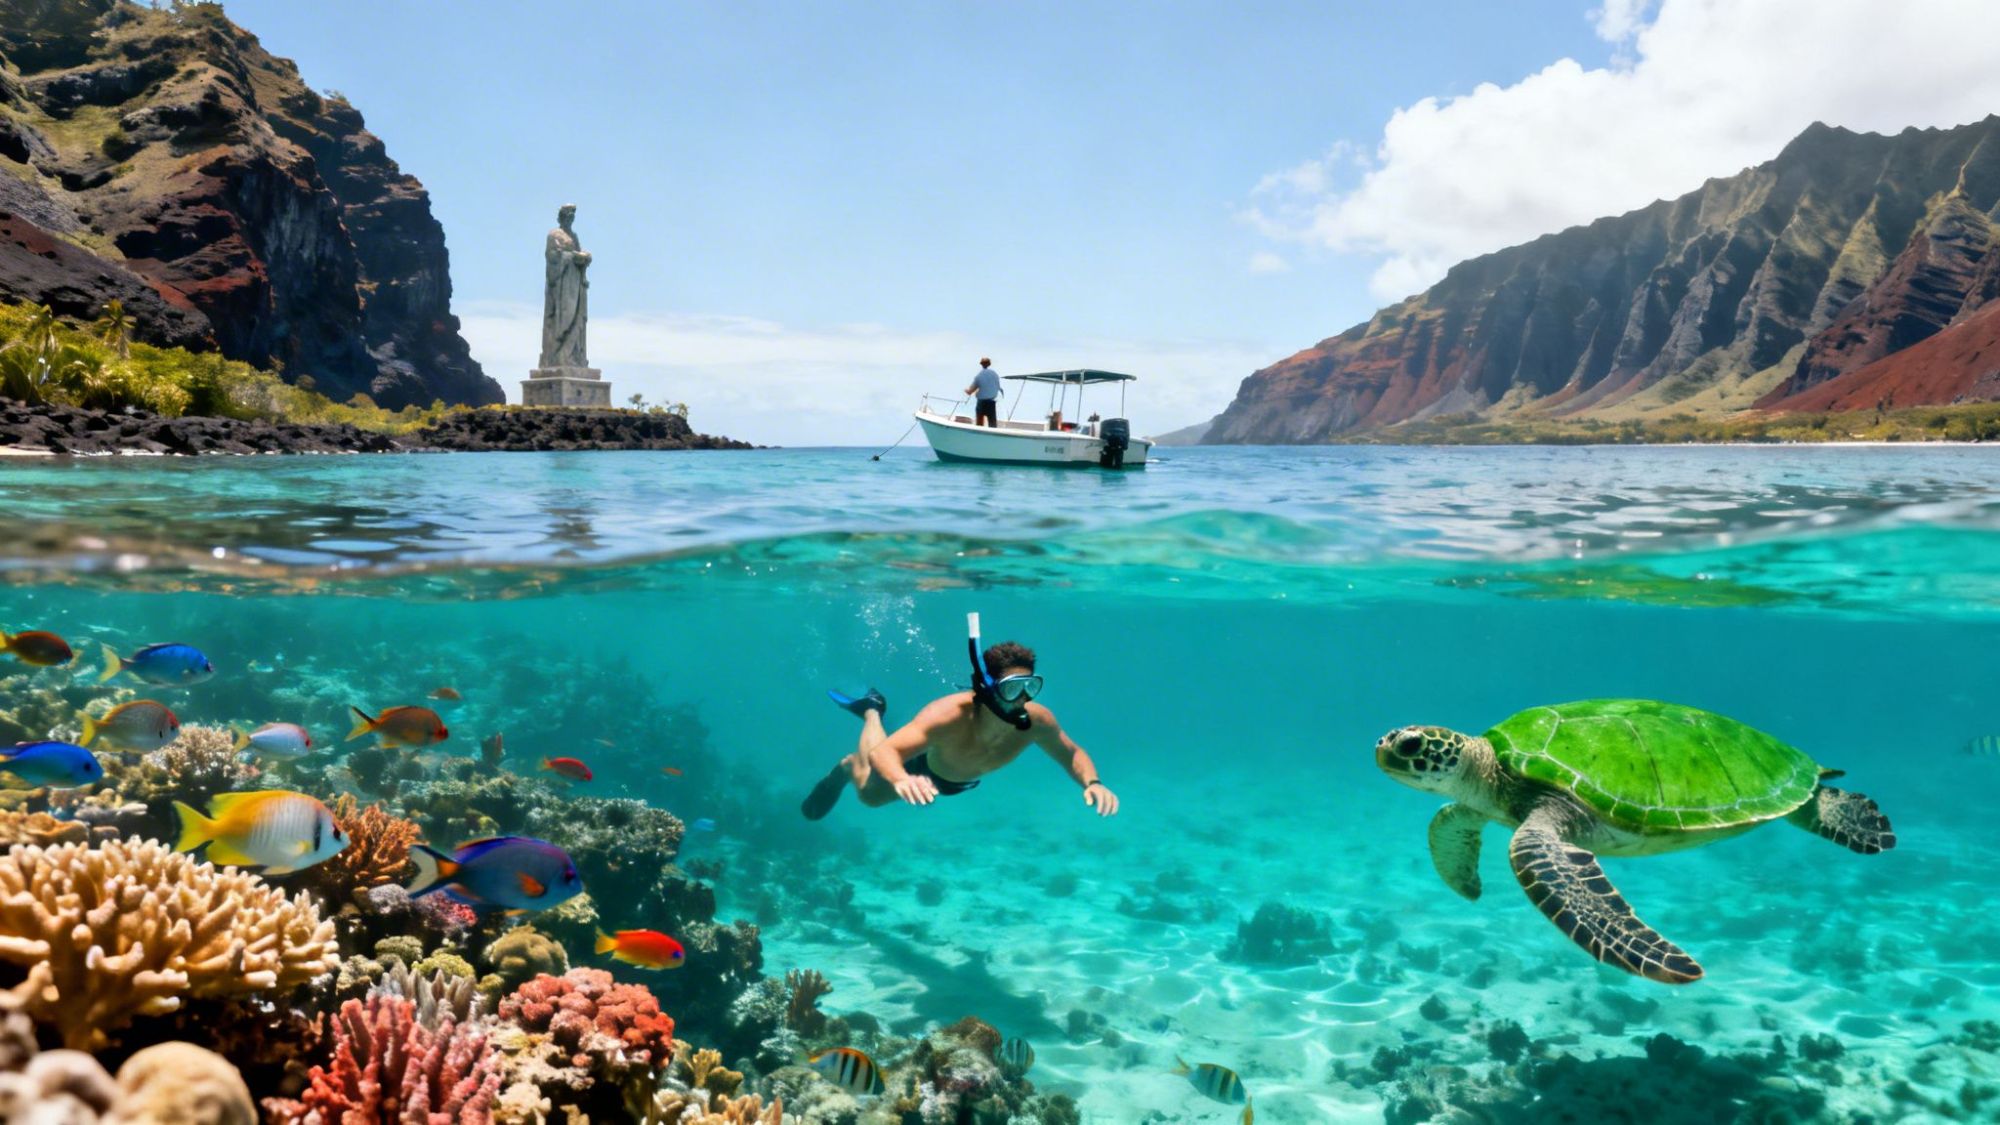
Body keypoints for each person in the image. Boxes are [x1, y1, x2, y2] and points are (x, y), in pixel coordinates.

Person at [800, 640, 1119, 820]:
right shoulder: (949, 715)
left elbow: (1071, 753)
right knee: (870, 795)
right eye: (1012, 689)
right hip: (922, 768)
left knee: (877, 785)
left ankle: (868, 727)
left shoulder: (1037, 721)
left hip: (958, 780)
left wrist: (1093, 783)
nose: (1022, 698)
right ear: (988, 687)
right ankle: (870, 713)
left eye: (1030, 686)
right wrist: (901, 779)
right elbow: (886, 752)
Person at [965, 357, 1001, 428]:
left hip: (982, 403)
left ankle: (979, 431)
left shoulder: (979, 376)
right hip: (992, 402)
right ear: (989, 364)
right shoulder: (995, 374)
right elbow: (997, 387)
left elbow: (970, 391)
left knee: (979, 424)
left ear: (981, 364)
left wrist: (965, 390)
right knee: (993, 425)